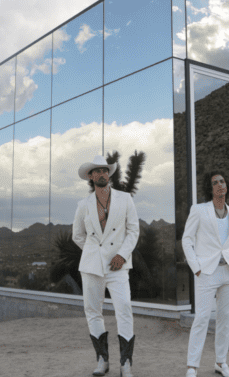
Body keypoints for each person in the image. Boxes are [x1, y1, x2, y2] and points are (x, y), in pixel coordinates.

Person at [73, 155, 140, 377]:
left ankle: (126, 363)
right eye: (96, 171)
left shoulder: (125, 198)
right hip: (92, 266)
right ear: (91, 177)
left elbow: (133, 231)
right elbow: (78, 236)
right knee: (93, 311)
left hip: (118, 266)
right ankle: (102, 360)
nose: (101, 174)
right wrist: (95, 253)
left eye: (104, 170)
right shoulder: (83, 205)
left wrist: (121, 254)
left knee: (124, 309)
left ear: (108, 174)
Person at [182, 171, 229, 377]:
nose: (219, 185)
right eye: (215, 182)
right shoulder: (199, 210)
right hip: (207, 272)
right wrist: (196, 268)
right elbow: (187, 239)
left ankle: (221, 363)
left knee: (225, 319)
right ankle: (192, 366)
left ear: (227, 186)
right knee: (201, 318)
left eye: (222, 181)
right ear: (210, 189)